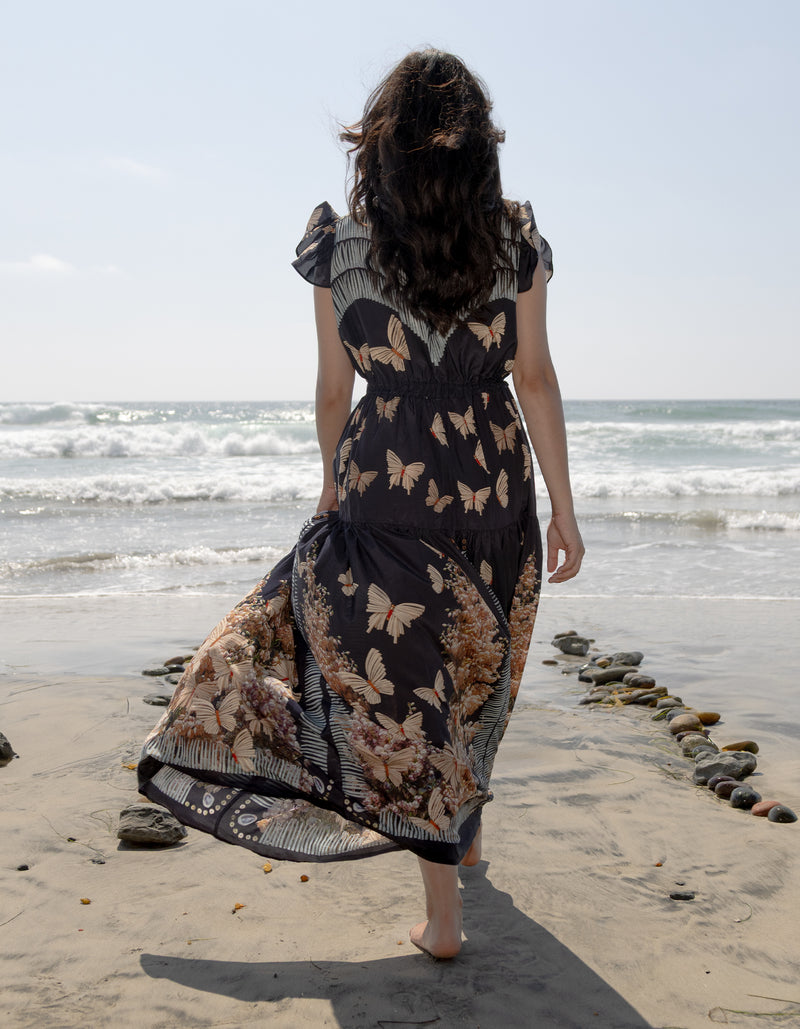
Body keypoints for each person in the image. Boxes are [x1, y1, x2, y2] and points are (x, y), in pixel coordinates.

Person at [138, 48, 583, 959]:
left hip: (386, 483)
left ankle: (444, 914)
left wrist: (331, 479)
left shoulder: (341, 246)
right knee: (479, 667)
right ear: (477, 150)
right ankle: (461, 839)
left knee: (407, 686)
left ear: (379, 146)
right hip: (495, 482)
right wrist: (565, 507)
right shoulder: (514, 239)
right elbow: (534, 377)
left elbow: (333, 389)